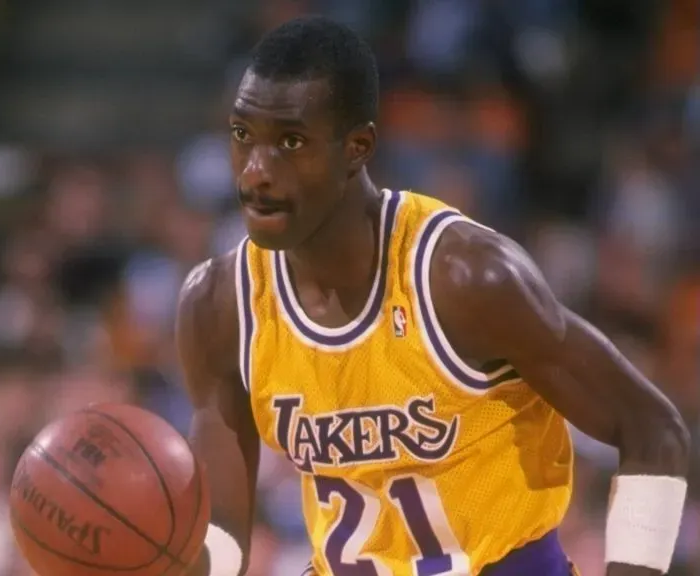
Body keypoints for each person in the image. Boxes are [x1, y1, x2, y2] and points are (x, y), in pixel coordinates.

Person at [176, 16, 690, 576]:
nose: (256, 172)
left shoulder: (465, 279)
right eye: (242, 135)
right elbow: (221, 535)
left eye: (290, 142)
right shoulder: (218, 307)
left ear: (358, 147)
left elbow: (651, 429)